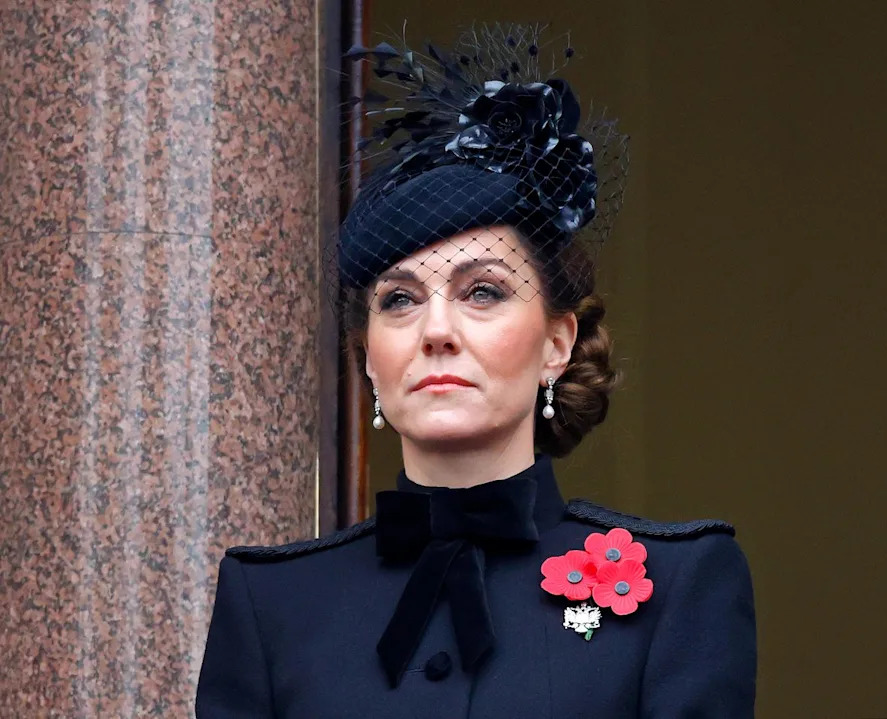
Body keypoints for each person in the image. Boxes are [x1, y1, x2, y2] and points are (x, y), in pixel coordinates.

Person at [196, 23, 756, 718]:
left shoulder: (680, 586)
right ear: (370, 355)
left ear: (557, 341)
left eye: (482, 291)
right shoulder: (271, 602)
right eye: (399, 300)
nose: (436, 330)